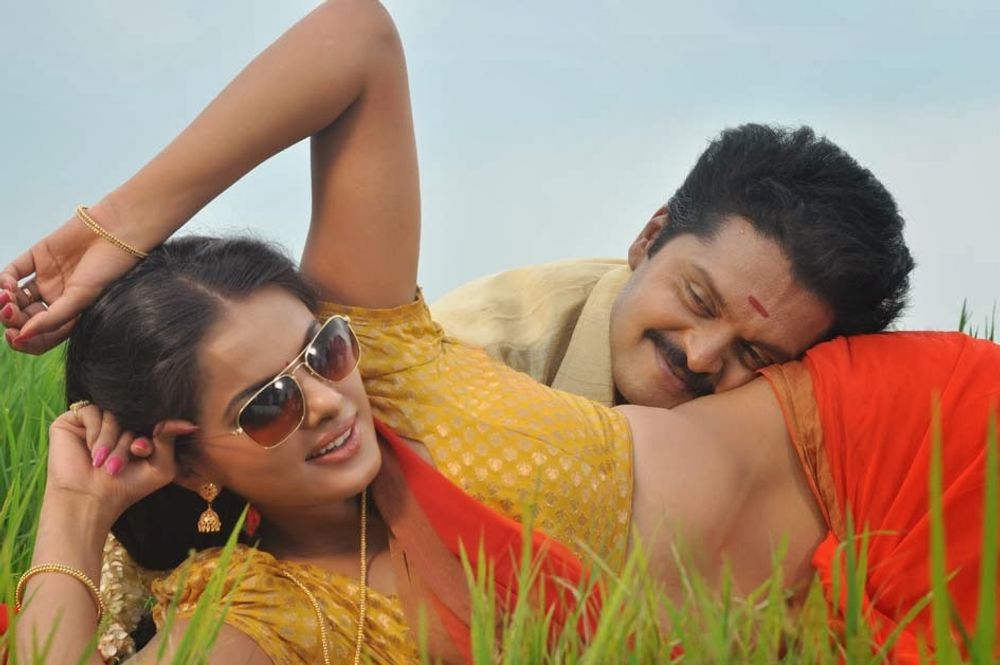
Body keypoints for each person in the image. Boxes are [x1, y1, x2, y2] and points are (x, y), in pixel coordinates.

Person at [1, 1, 995, 663]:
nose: (326, 400)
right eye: (267, 405)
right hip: (822, 617)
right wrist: (73, 512)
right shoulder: (275, 614)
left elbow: (358, 37)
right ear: (186, 456)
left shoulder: (388, 359)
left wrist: (114, 228)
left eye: (322, 351)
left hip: (900, 449)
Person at [431, 123, 915, 409]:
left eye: (754, 355)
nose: (701, 357)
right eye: (699, 300)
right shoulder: (467, 362)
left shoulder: (797, 434)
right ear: (650, 237)